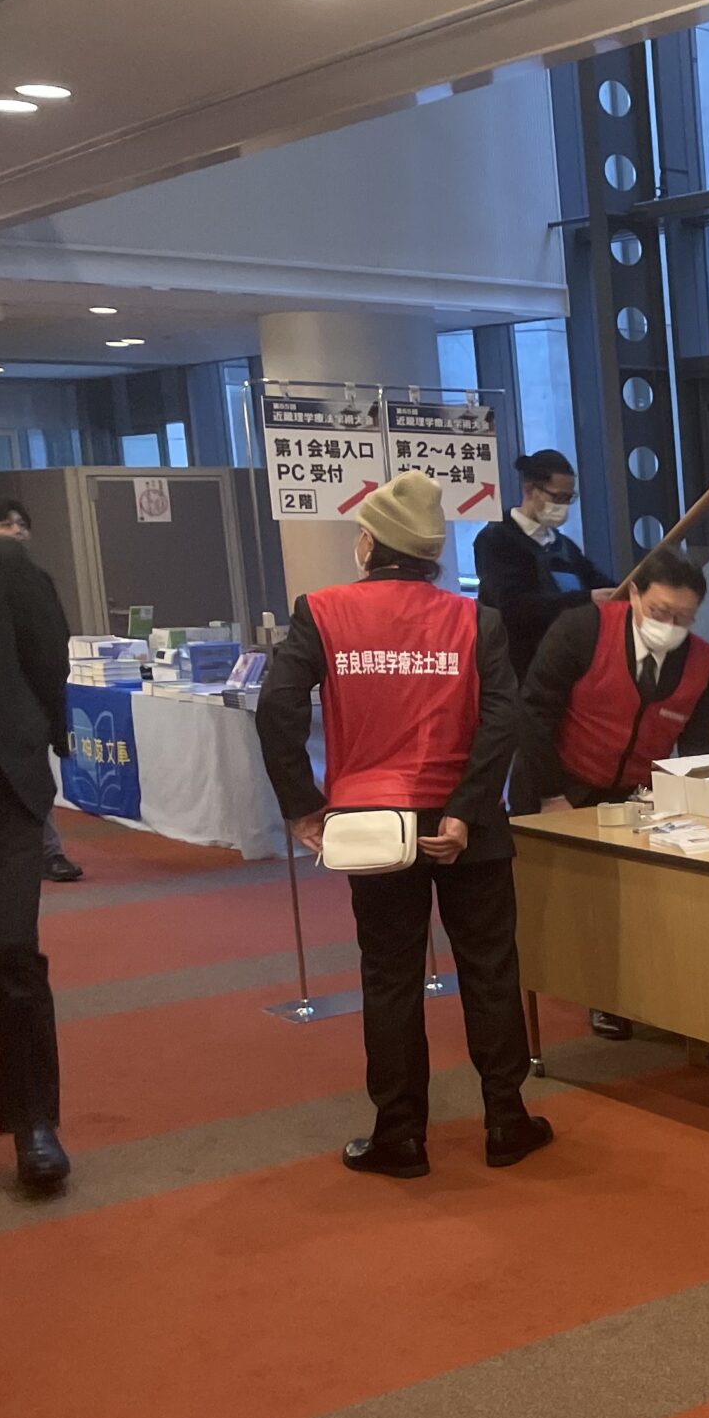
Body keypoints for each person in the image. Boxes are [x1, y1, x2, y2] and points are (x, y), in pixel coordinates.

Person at [256, 471, 550, 1180]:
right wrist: (465, 811)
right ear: (431, 554)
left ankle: (400, 1134)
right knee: (489, 969)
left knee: (389, 976)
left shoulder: (322, 612)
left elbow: (276, 706)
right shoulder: (475, 621)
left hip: (371, 822)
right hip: (470, 826)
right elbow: (503, 719)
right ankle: (506, 1120)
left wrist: (302, 804)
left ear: (367, 545)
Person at [511, 550, 709, 1040]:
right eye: (661, 612)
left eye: (683, 618)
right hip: (556, 780)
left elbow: (699, 741)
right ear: (634, 595)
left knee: (621, 904)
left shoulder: (702, 659)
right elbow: (534, 714)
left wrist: (701, 806)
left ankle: (614, 997)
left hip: (633, 793)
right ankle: (535, 996)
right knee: (551, 901)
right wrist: (551, 796)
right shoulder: (581, 630)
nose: (670, 626)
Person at [0, 499, 73, 1191]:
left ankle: (35, 1121)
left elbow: (49, 657)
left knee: (9, 949)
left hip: (0, 791)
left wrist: (40, 735)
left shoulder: (6, 564)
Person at [0, 503, 82, 884]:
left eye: (21, 524)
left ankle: (50, 852)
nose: (16, 531)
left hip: (19, 714)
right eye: (4, 524)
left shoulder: (35, 579)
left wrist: (52, 722)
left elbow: (52, 650)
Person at [475, 449, 610, 686]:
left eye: (569, 499)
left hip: (564, 666)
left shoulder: (564, 546)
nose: (563, 506)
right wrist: (586, 599)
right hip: (517, 669)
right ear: (529, 490)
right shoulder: (496, 539)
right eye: (557, 498)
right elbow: (513, 606)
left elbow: (598, 582)